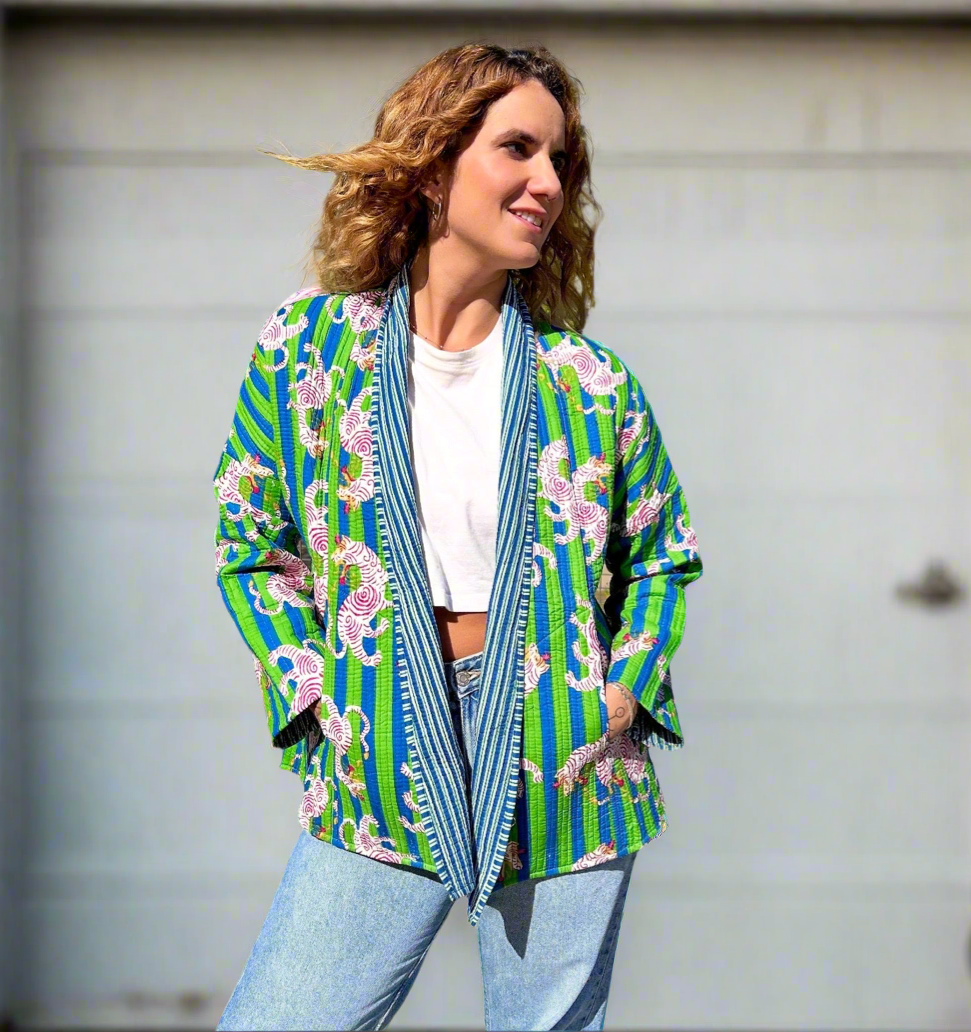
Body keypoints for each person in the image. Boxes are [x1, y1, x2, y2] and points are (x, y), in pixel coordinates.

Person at [212, 40, 702, 1032]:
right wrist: (314, 692)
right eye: (518, 148)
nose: (547, 182)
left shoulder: (590, 385)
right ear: (434, 167)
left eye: (560, 160)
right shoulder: (306, 352)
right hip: (380, 738)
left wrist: (620, 692)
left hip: (563, 754)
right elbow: (251, 542)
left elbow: (660, 556)